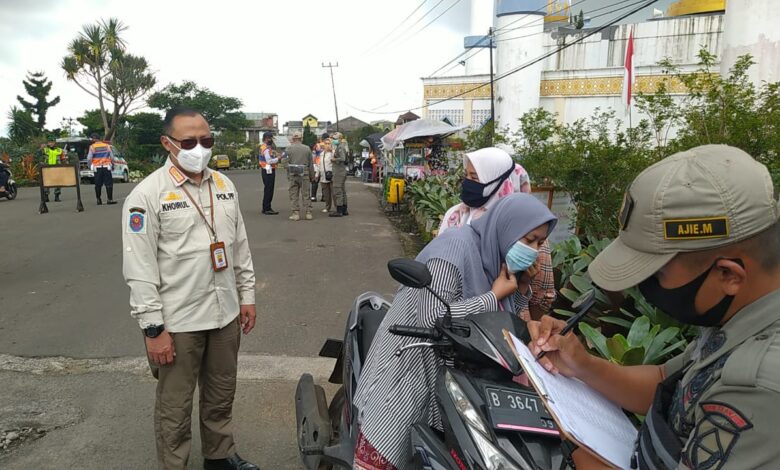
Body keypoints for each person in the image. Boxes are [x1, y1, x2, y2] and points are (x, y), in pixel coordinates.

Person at [528, 145, 780, 469]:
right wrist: (581, 365)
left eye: (657, 273)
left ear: (729, 274)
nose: (643, 286)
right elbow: (667, 383)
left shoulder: (761, 385)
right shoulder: (740, 317)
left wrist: (563, 435)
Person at [354, 194, 557, 469]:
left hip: (455, 375)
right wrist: (493, 295)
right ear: (507, 227)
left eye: (540, 243)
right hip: (411, 364)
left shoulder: (495, 260)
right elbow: (432, 318)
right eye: (529, 239)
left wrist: (520, 289)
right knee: (387, 447)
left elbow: (500, 321)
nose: (533, 249)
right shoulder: (453, 249)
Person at [122, 108, 259, 470]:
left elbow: (239, 246)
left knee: (220, 394)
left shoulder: (224, 186)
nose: (199, 148)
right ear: (168, 143)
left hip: (225, 313)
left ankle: (219, 456)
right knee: (175, 406)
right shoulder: (147, 195)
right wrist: (153, 328)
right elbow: (139, 268)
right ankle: (175, 465)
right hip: (178, 321)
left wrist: (247, 297)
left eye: (206, 140)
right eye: (188, 141)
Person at [438, 147, 555, 321]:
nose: (468, 183)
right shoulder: (455, 218)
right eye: (467, 176)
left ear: (501, 182)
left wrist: (523, 285)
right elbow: (435, 313)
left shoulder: (530, 234)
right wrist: (493, 297)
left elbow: (530, 306)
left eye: (475, 178)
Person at [285, 131, 315, 221]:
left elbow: (284, 162)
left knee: (294, 194)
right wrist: (312, 175)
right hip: (304, 173)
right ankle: (308, 213)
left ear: (293, 138)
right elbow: (311, 163)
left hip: (293, 174)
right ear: (301, 138)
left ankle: (296, 213)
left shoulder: (288, 149)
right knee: (306, 193)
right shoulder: (307, 149)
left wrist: (289, 169)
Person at [87, 133, 116, 205]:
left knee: (98, 184)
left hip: (97, 168)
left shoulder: (92, 147)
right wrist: (112, 165)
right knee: (109, 184)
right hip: (106, 167)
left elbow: (89, 158)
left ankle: (98, 200)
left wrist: (90, 165)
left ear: (94, 139)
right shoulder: (107, 146)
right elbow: (112, 157)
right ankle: (109, 199)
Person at [40, 137, 68, 202]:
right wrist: (41, 148)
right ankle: (46, 196)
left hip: (57, 168)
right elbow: (39, 155)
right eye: (49, 142)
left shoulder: (59, 150)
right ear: (48, 143)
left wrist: (65, 166)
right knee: (47, 182)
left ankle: (57, 196)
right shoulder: (45, 150)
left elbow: (63, 159)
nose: (51, 143)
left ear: (55, 142)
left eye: (52, 142)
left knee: (58, 182)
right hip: (47, 168)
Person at [258, 131, 279, 215]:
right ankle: (267, 208)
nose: (272, 140)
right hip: (268, 170)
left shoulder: (264, 147)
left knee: (268, 189)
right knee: (269, 189)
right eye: (270, 138)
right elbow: (269, 161)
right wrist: (278, 158)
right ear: (266, 139)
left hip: (266, 169)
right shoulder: (266, 149)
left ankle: (266, 207)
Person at [329, 132, 349, 217]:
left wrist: (334, 159)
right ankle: (344, 210)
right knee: (342, 191)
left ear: (340, 139)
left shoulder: (340, 147)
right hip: (341, 171)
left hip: (338, 172)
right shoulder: (341, 146)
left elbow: (343, 158)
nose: (333, 140)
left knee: (338, 190)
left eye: (334, 139)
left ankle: (339, 210)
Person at [318, 135, 335, 214]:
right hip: (323, 176)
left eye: (329, 143)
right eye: (326, 143)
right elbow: (319, 164)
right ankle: (327, 207)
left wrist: (332, 150)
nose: (327, 145)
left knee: (334, 192)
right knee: (326, 194)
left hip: (331, 175)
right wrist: (317, 174)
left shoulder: (333, 153)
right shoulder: (321, 154)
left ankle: (337, 207)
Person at [310, 138, 324, 202]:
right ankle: (313, 196)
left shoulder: (321, 152)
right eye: (316, 146)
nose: (318, 147)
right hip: (315, 168)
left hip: (322, 168)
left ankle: (324, 196)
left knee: (323, 182)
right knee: (314, 182)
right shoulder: (312, 153)